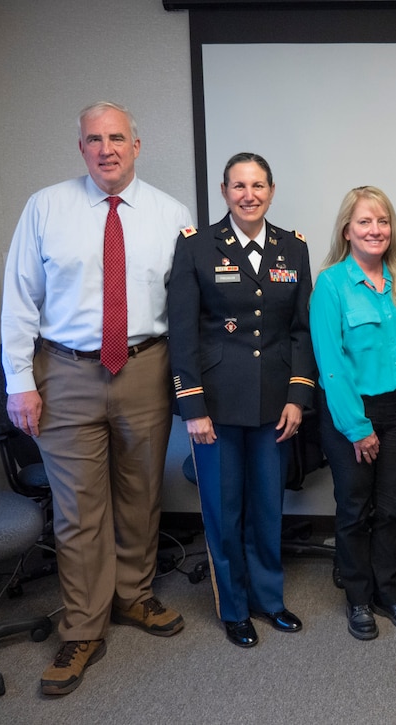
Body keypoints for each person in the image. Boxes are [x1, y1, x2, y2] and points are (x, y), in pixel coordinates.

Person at [0, 101, 192, 696]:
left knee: (141, 492)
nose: (106, 149)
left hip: (145, 367)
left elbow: (185, 308)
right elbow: (19, 299)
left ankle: (134, 596)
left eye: (117, 138)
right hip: (65, 371)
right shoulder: (46, 207)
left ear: (138, 144)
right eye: (93, 139)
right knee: (79, 507)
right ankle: (84, 626)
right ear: (79, 147)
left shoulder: (171, 214)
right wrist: (19, 381)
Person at [167, 152, 316, 648]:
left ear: (271, 190)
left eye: (258, 185)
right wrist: (192, 407)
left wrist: (298, 397)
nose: (248, 195)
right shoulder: (196, 247)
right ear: (224, 192)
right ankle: (233, 608)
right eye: (238, 186)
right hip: (216, 406)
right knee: (224, 509)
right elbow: (183, 334)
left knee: (267, 507)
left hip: (274, 403)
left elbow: (300, 332)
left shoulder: (293, 249)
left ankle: (269, 600)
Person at [310, 186, 396, 641]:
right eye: (364, 222)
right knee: (356, 509)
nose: (375, 230)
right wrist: (358, 428)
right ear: (347, 230)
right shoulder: (331, 285)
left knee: (394, 509)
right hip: (350, 414)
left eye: (382, 221)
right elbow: (331, 366)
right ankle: (358, 597)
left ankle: (390, 592)